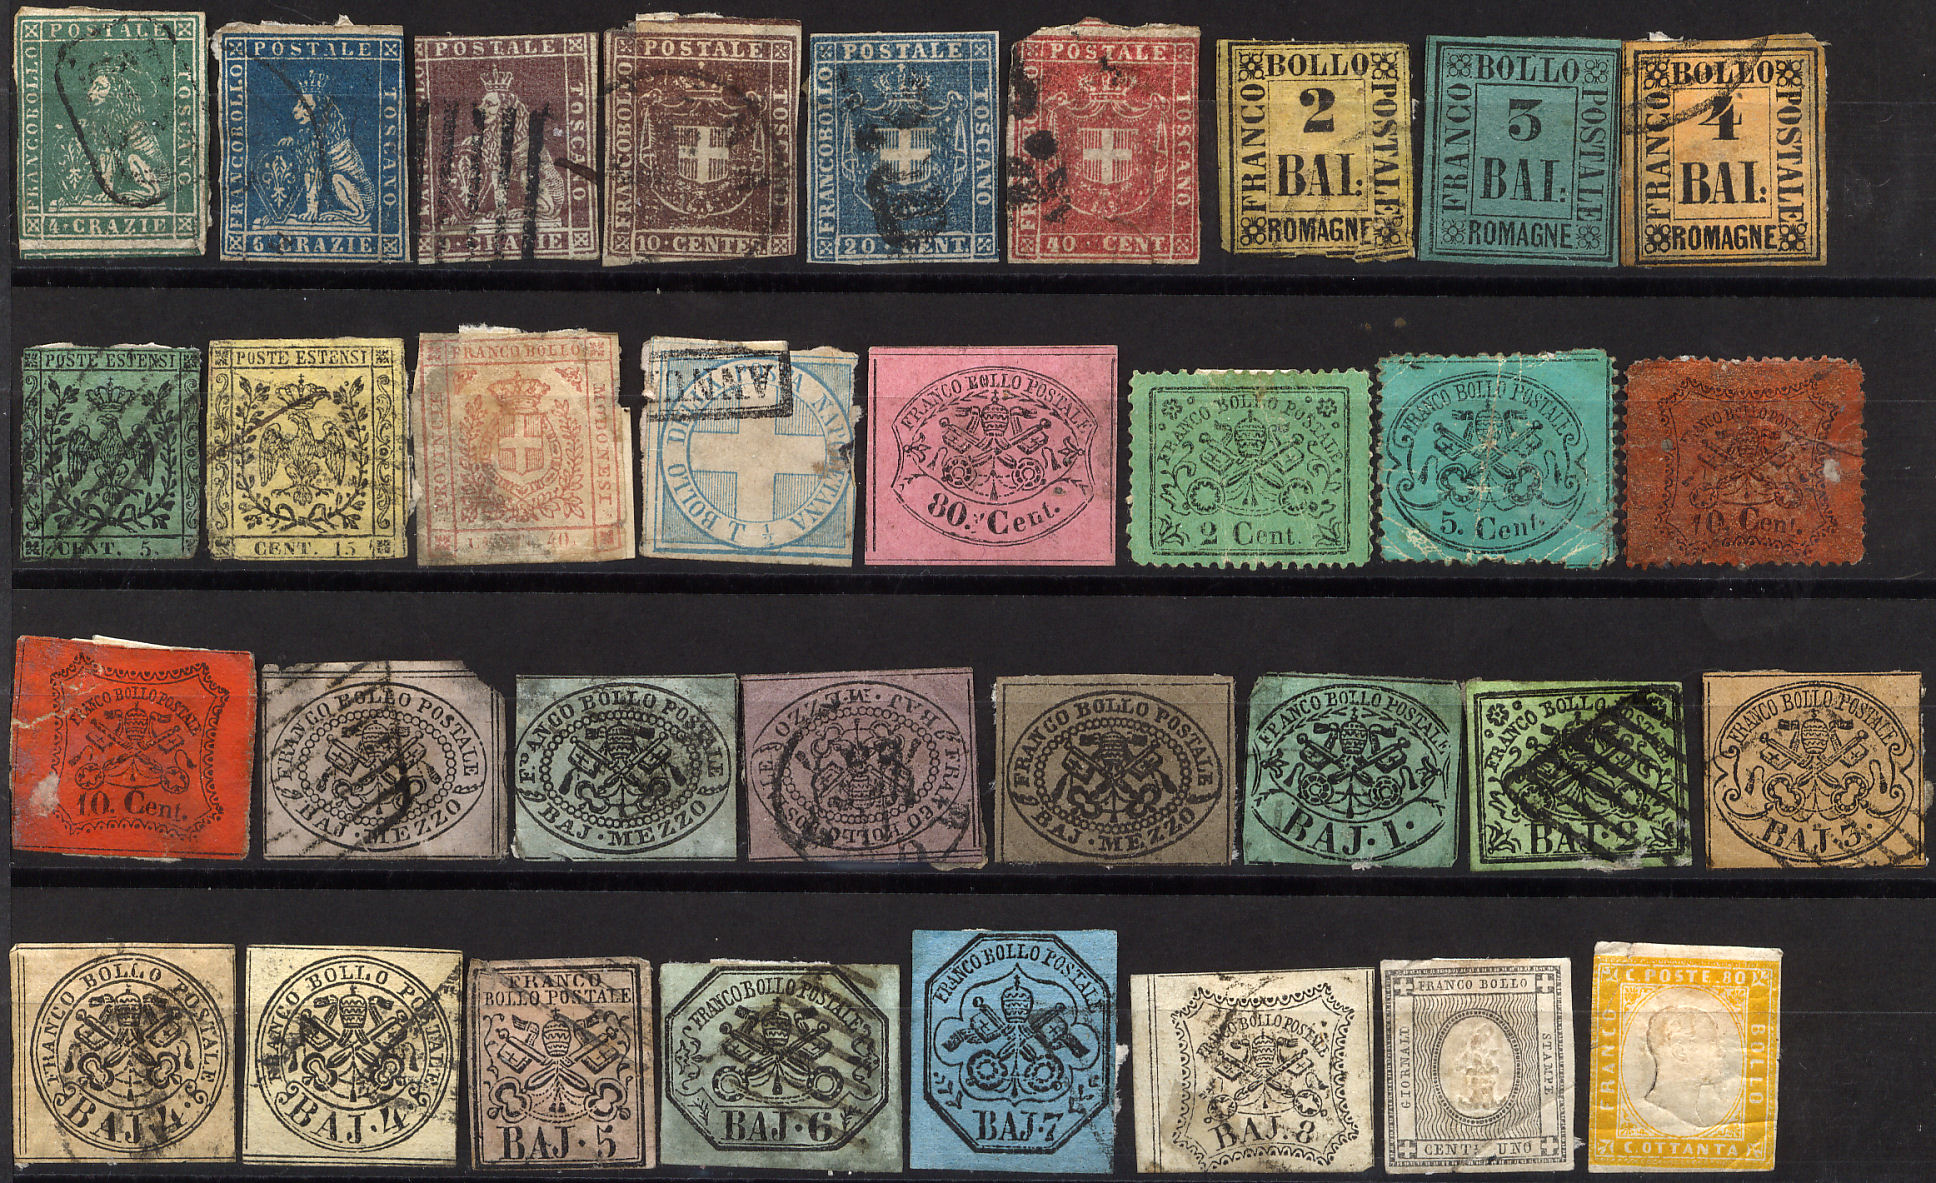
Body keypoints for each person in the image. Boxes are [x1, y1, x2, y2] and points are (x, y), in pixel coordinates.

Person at [1633, 1004, 1736, 1134]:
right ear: (1680, 1051)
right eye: (1711, 1042)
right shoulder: (1652, 1116)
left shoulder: (1690, 1119)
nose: (1721, 1052)